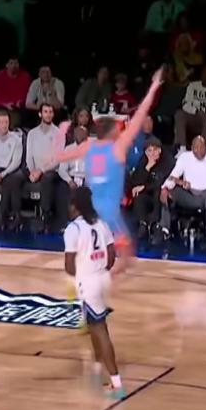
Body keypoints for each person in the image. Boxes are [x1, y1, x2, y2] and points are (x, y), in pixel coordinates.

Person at [52, 69, 165, 273]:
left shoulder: (89, 146)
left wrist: (61, 133)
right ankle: (102, 280)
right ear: (114, 131)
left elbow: (56, 157)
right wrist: (154, 86)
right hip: (109, 213)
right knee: (127, 257)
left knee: (91, 251)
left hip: (89, 211)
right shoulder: (118, 147)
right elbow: (140, 113)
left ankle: (89, 277)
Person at [64, 186, 123, 398]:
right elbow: (112, 255)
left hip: (88, 282)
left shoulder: (73, 229)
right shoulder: (101, 223)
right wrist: (100, 271)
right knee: (93, 323)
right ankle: (97, 366)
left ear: (76, 206)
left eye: (70, 205)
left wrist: (83, 275)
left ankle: (116, 382)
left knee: (100, 329)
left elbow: (69, 266)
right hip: (103, 278)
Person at [24, 104, 66, 231]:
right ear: (40, 114)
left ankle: (45, 215)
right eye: (45, 111)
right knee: (15, 177)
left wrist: (41, 171)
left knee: (47, 178)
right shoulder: (32, 133)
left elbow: (57, 160)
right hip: (33, 170)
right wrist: (32, 171)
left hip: (51, 170)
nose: (48, 114)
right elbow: (29, 156)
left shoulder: (59, 133)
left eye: (50, 112)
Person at [129, 137, 170, 238]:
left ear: (160, 150)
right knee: (138, 196)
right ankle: (142, 223)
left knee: (157, 192)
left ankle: (154, 225)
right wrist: (147, 168)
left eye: (155, 150)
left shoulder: (167, 162)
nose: (152, 154)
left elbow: (161, 183)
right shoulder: (144, 160)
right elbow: (135, 181)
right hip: (147, 196)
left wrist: (144, 187)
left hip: (161, 196)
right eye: (149, 151)